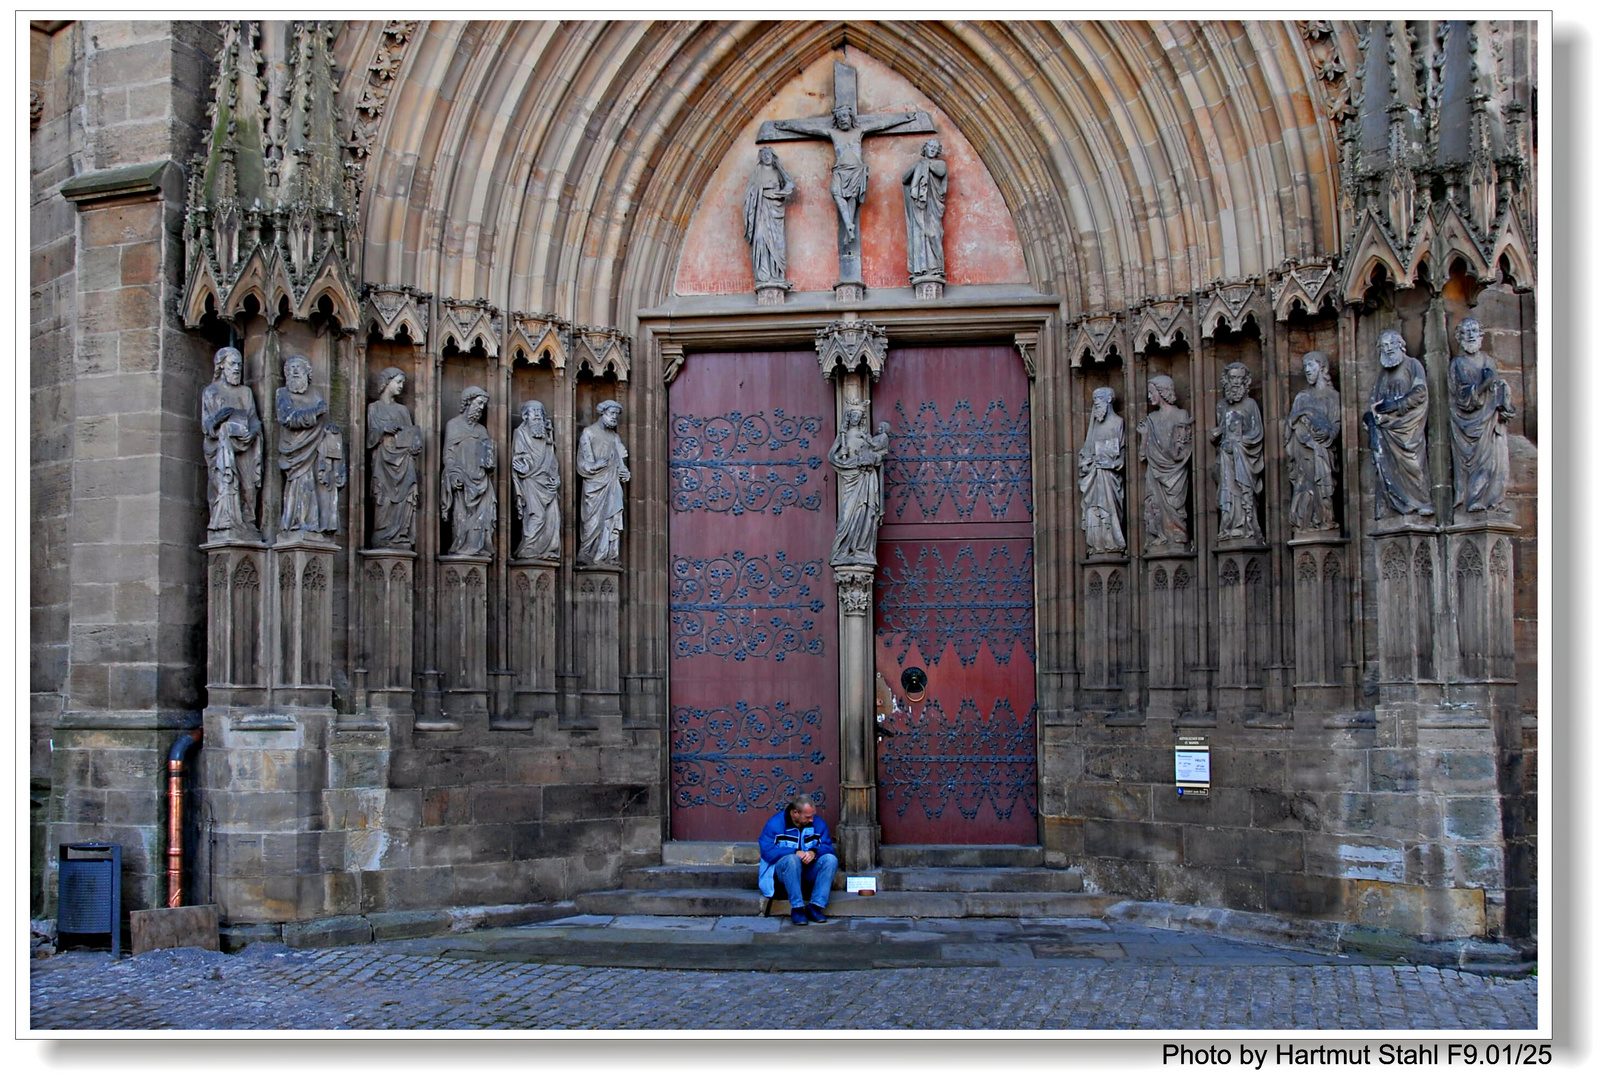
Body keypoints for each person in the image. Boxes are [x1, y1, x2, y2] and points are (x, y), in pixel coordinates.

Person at [758, 796, 838, 925]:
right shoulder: (775, 824)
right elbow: (767, 852)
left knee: (831, 859)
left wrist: (814, 852)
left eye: (813, 816)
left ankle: (815, 906)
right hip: (782, 873)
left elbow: (828, 847)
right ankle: (797, 908)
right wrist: (794, 852)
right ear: (795, 813)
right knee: (792, 859)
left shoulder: (819, 824)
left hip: (808, 870)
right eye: (807, 817)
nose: (812, 820)